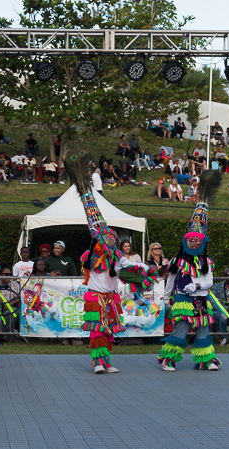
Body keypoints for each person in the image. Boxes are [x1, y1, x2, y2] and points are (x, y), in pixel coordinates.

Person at [66, 153, 156, 373]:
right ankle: (97, 362)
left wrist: (147, 270)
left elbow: (127, 266)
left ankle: (107, 362)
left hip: (111, 298)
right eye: (106, 238)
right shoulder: (90, 256)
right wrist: (98, 243)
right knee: (97, 330)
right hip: (96, 297)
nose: (110, 240)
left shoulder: (117, 256)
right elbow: (89, 261)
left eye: (111, 238)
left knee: (110, 330)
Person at [159, 170, 223, 372]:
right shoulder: (178, 260)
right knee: (182, 327)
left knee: (204, 328)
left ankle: (206, 360)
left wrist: (197, 284)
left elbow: (209, 280)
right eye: (191, 239)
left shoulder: (206, 261)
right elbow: (171, 278)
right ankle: (168, 358)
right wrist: (166, 297)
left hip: (201, 298)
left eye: (198, 240)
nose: (194, 242)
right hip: (184, 300)